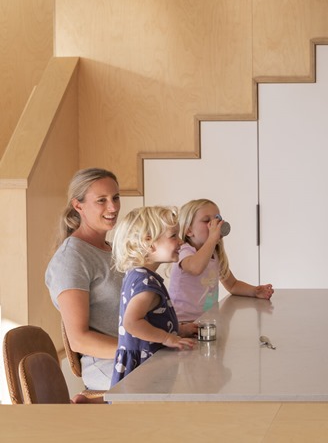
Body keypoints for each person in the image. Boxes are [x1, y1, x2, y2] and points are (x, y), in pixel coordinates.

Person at [45, 168, 124, 391]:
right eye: (101, 200)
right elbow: (79, 339)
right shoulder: (72, 258)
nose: (113, 207)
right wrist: (140, 348)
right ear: (78, 206)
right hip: (109, 367)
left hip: (133, 357)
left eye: (116, 198)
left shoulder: (113, 250)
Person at [110, 206, 196, 386]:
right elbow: (131, 323)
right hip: (143, 369)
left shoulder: (137, 274)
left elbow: (153, 321)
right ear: (148, 242)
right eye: (173, 236)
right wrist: (167, 338)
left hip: (145, 365)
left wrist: (180, 330)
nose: (181, 241)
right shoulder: (146, 284)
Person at [169, 199, 273, 322]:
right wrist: (212, 238)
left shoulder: (214, 254)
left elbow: (233, 285)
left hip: (206, 321)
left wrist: (255, 291)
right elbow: (195, 268)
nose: (215, 225)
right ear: (189, 230)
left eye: (217, 219)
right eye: (206, 220)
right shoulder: (184, 251)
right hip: (182, 323)